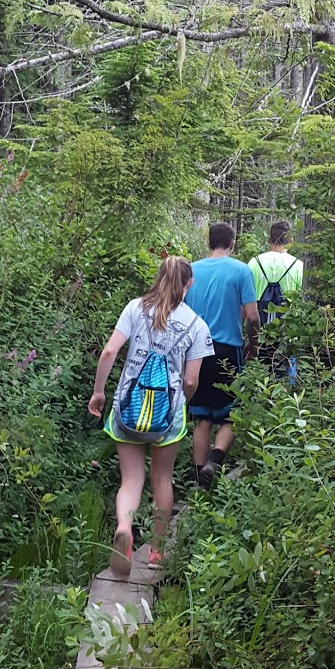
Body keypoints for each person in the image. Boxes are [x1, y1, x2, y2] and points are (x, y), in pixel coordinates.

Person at [88, 256, 213, 578]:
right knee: (162, 479)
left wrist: (99, 392)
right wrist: (179, 406)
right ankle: (157, 551)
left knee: (131, 479)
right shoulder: (196, 324)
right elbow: (190, 381)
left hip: (127, 408)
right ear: (189, 284)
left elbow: (109, 352)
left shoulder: (134, 308)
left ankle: (125, 528)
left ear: (158, 277)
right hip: (167, 417)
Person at [185, 222, 259, 488]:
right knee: (232, 413)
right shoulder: (241, 270)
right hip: (228, 349)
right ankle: (214, 462)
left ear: (209, 242)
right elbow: (252, 315)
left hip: (196, 351)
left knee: (202, 417)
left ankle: (199, 480)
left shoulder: (191, 270)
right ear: (233, 243)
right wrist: (253, 343)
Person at [248, 220, 303, 379]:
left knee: (261, 374)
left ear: (269, 240)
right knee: (287, 374)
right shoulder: (298, 265)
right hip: (288, 331)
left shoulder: (254, 262)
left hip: (259, 330)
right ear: (290, 241)